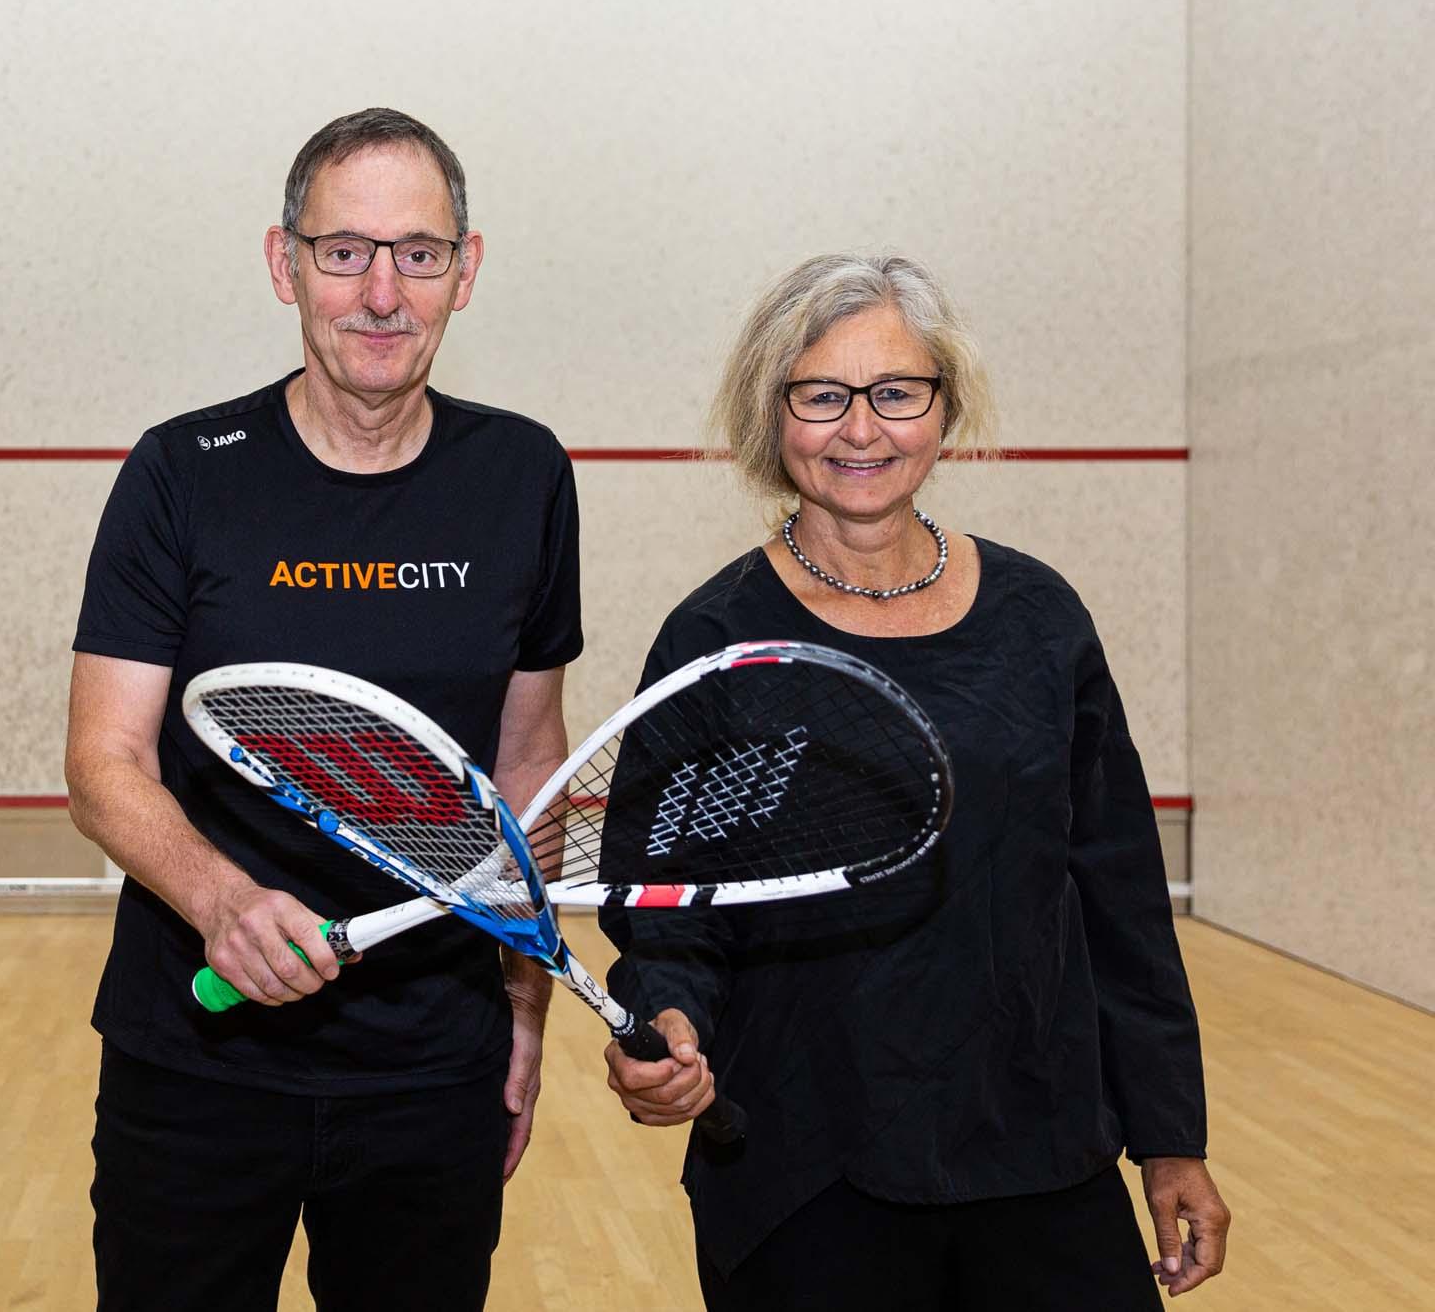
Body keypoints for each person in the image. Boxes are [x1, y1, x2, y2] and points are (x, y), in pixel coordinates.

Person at [600, 253, 1230, 1309]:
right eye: (820, 395)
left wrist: (1168, 1137)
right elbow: (667, 914)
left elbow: (1116, 894)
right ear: (773, 412)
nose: (861, 429)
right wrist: (666, 1024)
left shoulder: (1039, 618)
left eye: (896, 392)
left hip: (1042, 1155)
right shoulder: (715, 640)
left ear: (942, 405)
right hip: (809, 1173)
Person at [64, 107, 581, 1312]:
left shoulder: (522, 475)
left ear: (469, 269)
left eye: (419, 252)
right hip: (198, 1056)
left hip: (429, 1067)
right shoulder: (181, 473)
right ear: (282, 262)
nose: (381, 292)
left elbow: (526, 756)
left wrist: (522, 1003)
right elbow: (103, 764)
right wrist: (225, 903)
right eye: (344, 251)